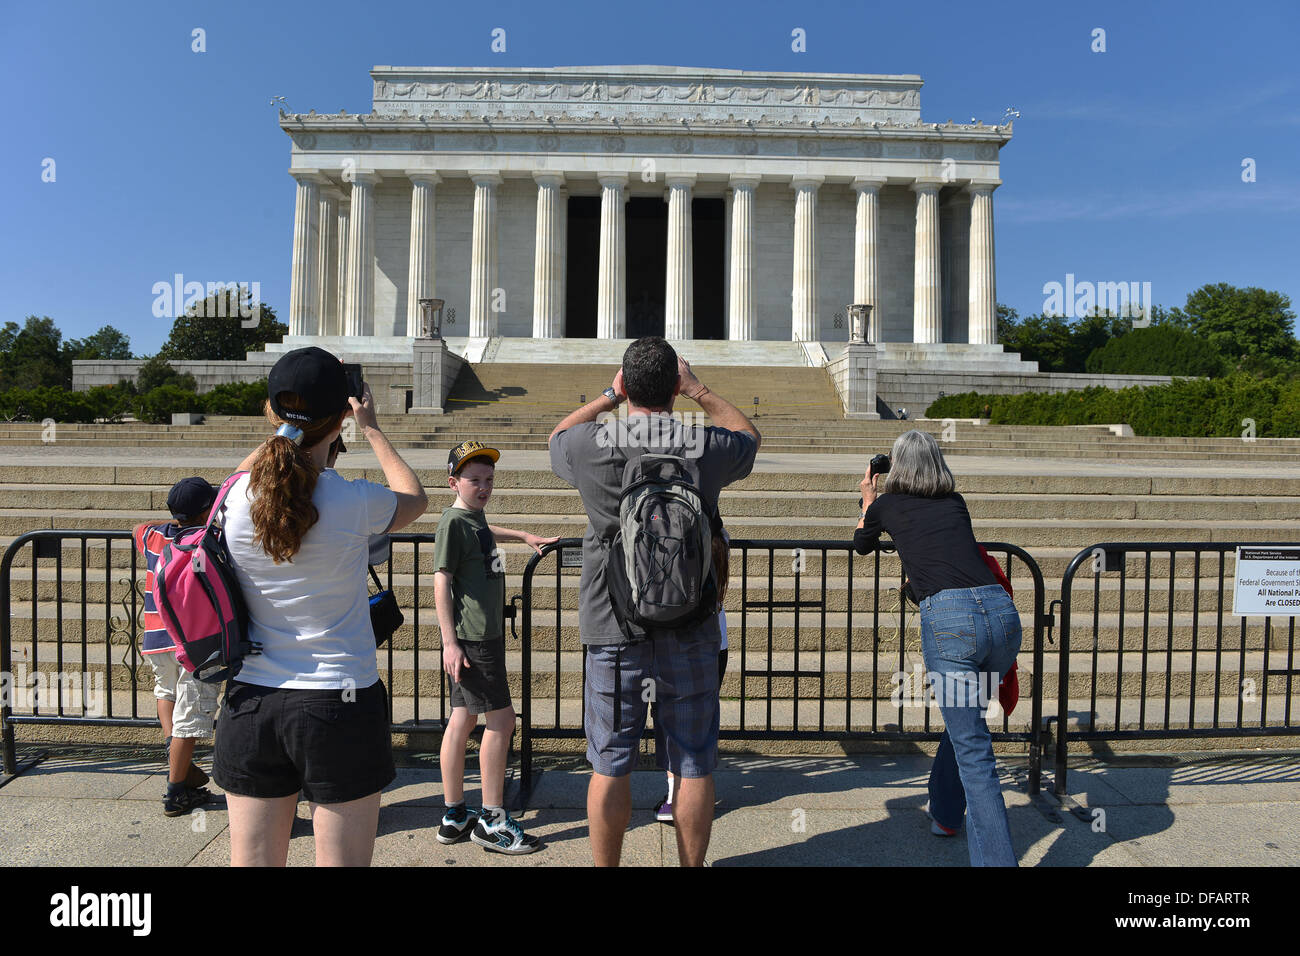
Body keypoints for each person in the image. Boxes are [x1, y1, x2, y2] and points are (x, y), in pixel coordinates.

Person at [212, 346, 428, 867]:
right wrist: (372, 428)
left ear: (272, 413)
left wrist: (287, 429)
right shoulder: (353, 500)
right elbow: (415, 498)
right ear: (341, 419)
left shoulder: (234, 499)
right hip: (339, 699)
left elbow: (233, 482)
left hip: (251, 702)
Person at [548, 336, 760, 867]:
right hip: (690, 623)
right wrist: (699, 390)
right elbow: (749, 436)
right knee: (692, 763)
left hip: (613, 622)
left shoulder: (592, 444)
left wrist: (607, 396)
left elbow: (556, 436)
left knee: (610, 763)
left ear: (627, 384)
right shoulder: (701, 444)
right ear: (673, 386)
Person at [853, 429, 1022, 867]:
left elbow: (862, 545)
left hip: (953, 625)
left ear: (898, 466)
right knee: (966, 726)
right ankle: (946, 813)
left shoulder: (888, 504)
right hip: (1000, 617)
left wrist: (869, 499)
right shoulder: (955, 502)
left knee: (975, 755)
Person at [434, 439, 558, 854]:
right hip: (474, 640)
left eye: (488, 479)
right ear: (454, 482)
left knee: (462, 720)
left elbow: (483, 532)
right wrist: (450, 643)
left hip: (476, 638)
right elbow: (441, 580)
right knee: (501, 722)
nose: (483, 486)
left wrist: (522, 534)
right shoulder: (453, 523)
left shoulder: (472, 519)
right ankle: (492, 818)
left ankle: (454, 815)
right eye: (474, 480)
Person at [132, 476, 220, 816]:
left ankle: (174, 756)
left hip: (156, 634)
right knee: (191, 712)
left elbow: (136, 528)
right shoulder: (206, 539)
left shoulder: (153, 536)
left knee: (165, 692)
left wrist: (169, 522)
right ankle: (175, 790)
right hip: (193, 640)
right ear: (205, 512)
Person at [654, 525, 730, 823]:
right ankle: (695, 795)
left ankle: (676, 797)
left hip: (678, 636)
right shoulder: (719, 537)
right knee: (701, 719)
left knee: (671, 720)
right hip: (715, 637)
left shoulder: (674, 534)